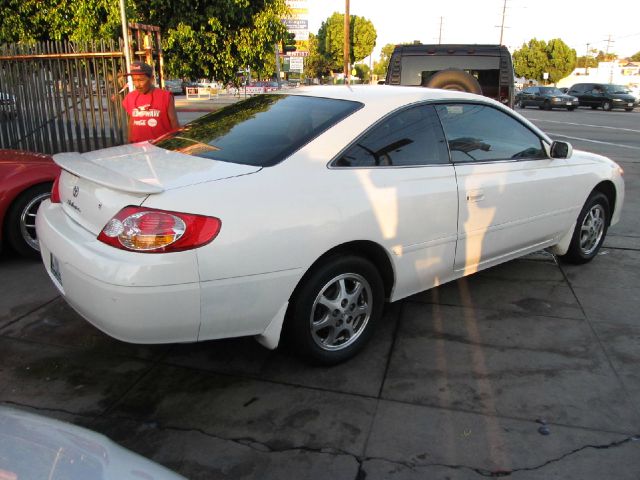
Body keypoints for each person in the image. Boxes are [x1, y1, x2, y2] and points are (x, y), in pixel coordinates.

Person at [122, 61, 179, 143]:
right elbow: (132, 122)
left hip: (160, 147)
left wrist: (176, 144)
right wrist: (130, 142)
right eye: (134, 80)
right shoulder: (130, 97)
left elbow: (174, 122)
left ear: (152, 79)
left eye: (141, 80)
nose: (137, 84)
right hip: (137, 148)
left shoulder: (165, 96)